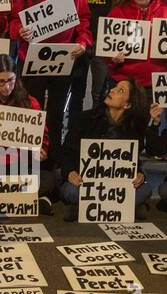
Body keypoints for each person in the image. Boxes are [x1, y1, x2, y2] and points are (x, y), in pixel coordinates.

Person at [9, 0, 93, 151]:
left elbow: (84, 20)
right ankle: (29, 156)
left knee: (56, 112)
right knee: (32, 109)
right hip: (31, 58)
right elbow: (13, 20)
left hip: (62, 59)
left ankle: (53, 156)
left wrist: (83, 42)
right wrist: (19, 30)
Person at [57, 78, 155, 221]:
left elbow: (134, 161)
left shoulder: (134, 127)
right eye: (115, 87)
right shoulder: (85, 118)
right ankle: (126, 209)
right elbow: (67, 152)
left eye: (120, 90)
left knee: (146, 190)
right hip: (85, 180)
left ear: (127, 105)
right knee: (70, 192)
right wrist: (70, 173)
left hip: (116, 186)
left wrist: (139, 174)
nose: (112, 90)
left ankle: (84, 209)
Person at [0, 54, 57, 206]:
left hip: (20, 167)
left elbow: (43, 136)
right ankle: (23, 199)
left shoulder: (31, 104)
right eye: (1, 81)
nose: (6, 87)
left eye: (11, 80)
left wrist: (41, 150)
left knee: (51, 180)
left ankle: (3, 198)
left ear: (17, 78)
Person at [103, 0, 167, 93]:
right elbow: (104, 52)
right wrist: (112, 59)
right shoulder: (117, 12)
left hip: (155, 85)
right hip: (123, 83)